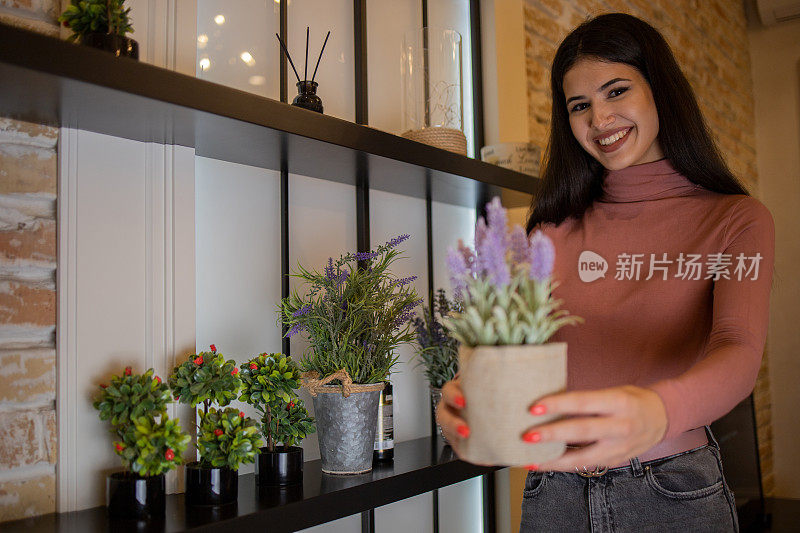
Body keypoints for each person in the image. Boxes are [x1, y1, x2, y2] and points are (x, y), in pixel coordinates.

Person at [435, 12, 774, 532]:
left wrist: (658, 411)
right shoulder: (548, 231)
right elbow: (513, 353)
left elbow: (739, 347)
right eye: (579, 106)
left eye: (616, 91)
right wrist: (470, 395)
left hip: (672, 491)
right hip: (555, 491)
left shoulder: (734, 219)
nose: (599, 119)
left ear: (658, 88)